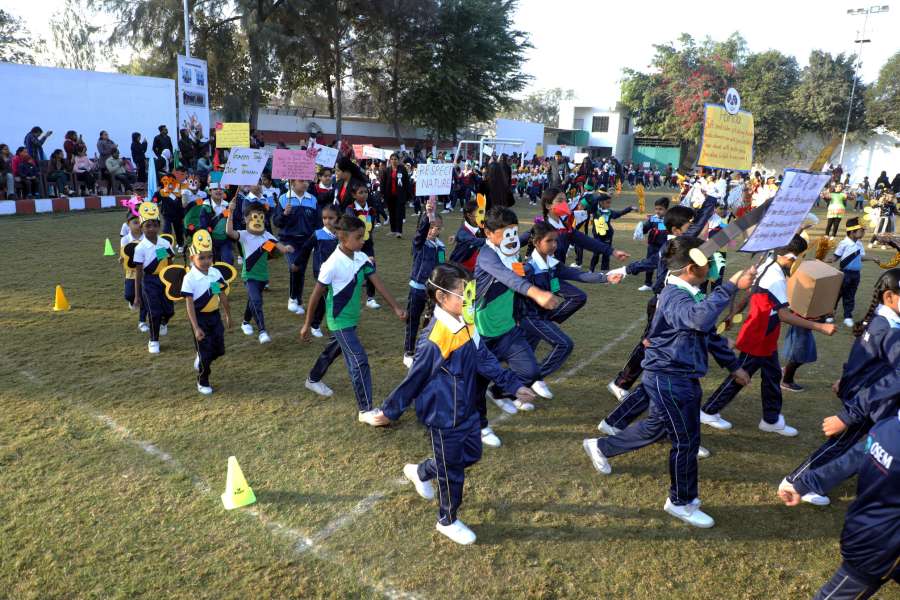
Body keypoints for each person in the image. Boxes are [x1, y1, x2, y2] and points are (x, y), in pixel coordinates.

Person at [582, 237, 756, 528]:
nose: (712, 267)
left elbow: (707, 333)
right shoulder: (675, 294)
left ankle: (601, 447)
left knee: (657, 426)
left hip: (677, 374)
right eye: (708, 262)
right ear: (691, 268)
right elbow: (698, 320)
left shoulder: (691, 293)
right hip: (670, 377)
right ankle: (681, 501)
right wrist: (730, 287)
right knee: (686, 441)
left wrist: (734, 365)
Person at [377, 263, 536, 545]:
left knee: (471, 456)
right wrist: (389, 411)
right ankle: (447, 521)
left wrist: (513, 384)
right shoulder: (435, 338)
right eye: (465, 293)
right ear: (441, 297)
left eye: (471, 291)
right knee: (453, 473)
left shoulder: (467, 320)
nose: (470, 298)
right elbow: (414, 379)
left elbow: (484, 358)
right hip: (443, 415)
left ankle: (421, 471)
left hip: (468, 407)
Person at [779, 267, 900, 506]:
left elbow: (863, 359)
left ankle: (810, 481)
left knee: (851, 444)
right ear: (889, 296)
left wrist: (845, 380)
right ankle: (796, 482)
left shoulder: (881, 321)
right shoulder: (889, 329)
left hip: (863, 396)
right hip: (867, 402)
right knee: (840, 444)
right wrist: (848, 413)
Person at [700, 237, 837, 434]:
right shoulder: (776, 279)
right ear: (789, 257)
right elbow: (784, 315)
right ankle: (708, 411)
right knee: (740, 375)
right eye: (800, 257)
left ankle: (771, 420)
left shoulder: (768, 265)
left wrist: (734, 313)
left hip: (766, 335)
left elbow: (750, 293)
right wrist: (820, 327)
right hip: (758, 336)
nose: (801, 262)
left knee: (772, 376)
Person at [605, 192, 719, 400]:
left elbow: (649, 262)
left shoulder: (682, 246)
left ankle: (652, 386)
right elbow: (697, 229)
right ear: (676, 230)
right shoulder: (674, 246)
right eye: (690, 224)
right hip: (662, 305)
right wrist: (711, 200)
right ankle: (621, 383)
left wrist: (626, 270)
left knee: (666, 345)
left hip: (672, 303)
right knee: (650, 344)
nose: (697, 227)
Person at [778, 414, 899, 599]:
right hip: (877, 545)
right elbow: (858, 454)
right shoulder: (888, 427)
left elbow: (857, 454)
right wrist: (805, 483)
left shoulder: (888, 425)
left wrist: (805, 484)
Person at [299, 214, 406, 424]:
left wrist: (396, 307)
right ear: (343, 237)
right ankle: (365, 410)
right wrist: (306, 324)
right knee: (359, 360)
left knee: (334, 349)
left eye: (363, 236)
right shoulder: (331, 264)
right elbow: (316, 295)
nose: (363, 240)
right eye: (358, 237)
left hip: (352, 319)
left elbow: (377, 282)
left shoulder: (361, 257)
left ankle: (313, 379)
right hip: (339, 321)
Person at [473, 207, 559, 445]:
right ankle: (481, 426)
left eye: (513, 231)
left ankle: (499, 392)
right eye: (504, 232)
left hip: (508, 329)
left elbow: (526, 237)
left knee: (530, 372)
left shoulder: (510, 246)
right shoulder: (486, 256)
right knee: (477, 384)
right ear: (488, 233)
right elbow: (508, 277)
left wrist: (544, 220)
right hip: (481, 333)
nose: (511, 237)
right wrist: (536, 293)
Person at [519, 221, 621, 390]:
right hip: (529, 319)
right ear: (536, 243)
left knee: (523, 357)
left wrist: (606, 277)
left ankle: (517, 386)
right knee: (562, 345)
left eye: (555, 240)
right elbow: (515, 293)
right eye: (549, 241)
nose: (554, 245)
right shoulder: (528, 268)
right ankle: (530, 380)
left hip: (540, 318)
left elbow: (577, 274)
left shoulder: (552, 264)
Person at [225, 199, 294, 344]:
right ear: (246, 219)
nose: (258, 220)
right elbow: (229, 232)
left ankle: (245, 322)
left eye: (261, 216)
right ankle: (262, 331)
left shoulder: (266, 235)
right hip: (249, 275)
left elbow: (280, 247)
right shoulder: (244, 234)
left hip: (263, 276)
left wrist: (286, 249)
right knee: (257, 301)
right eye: (254, 216)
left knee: (253, 301)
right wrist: (230, 212)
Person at [180, 230, 233, 395]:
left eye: (209, 257)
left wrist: (228, 314)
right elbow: (189, 304)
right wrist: (196, 327)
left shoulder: (214, 273)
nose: (206, 261)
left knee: (219, 350)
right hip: (199, 318)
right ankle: (202, 380)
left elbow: (220, 294)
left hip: (215, 316)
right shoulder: (189, 278)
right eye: (201, 258)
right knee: (206, 353)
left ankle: (201, 357)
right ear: (192, 258)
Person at [403, 198, 445, 368]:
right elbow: (421, 233)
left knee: (431, 322)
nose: (434, 231)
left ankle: (425, 350)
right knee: (413, 320)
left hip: (432, 292)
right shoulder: (419, 244)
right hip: (417, 289)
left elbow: (441, 267)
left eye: (438, 228)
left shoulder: (440, 247)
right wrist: (428, 215)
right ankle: (408, 351)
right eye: (431, 226)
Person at [132, 202, 176, 354]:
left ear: (159, 226)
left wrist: (174, 283)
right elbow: (138, 272)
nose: (151, 229)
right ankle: (153, 340)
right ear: (141, 227)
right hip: (149, 281)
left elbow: (170, 264)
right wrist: (137, 295)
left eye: (155, 225)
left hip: (165, 281)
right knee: (154, 312)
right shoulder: (140, 248)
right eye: (147, 226)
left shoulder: (165, 243)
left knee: (169, 311)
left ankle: (163, 322)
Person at [274, 178, 320, 316]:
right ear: (292, 182)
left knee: (301, 270)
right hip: (288, 240)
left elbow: (318, 223)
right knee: (294, 266)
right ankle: (293, 298)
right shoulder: (283, 199)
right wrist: (284, 214)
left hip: (306, 241)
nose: (305, 183)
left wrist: (315, 241)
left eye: (307, 181)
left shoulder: (312, 199)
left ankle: (298, 300)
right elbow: (277, 222)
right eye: (301, 180)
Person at [828, 217, 881, 327]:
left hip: (856, 275)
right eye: (861, 231)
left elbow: (860, 257)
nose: (863, 233)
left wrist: (873, 258)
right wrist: (826, 260)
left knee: (850, 295)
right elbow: (835, 257)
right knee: (837, 294)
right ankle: (830, 314)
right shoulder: (844, 243)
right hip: (844, 273)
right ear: (852, 232)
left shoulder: (859, 244)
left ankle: (847, 316)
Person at [298, 203, 340, 339]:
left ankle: (333, 324)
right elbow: (305, 249)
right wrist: (297, 263)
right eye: (324, 218)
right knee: (324, 298)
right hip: (321, 272)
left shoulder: (341, 235)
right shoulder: (318, 234)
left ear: (338, 218)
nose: (327, 221)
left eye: (331, 218)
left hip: (337, 272)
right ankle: (315, 325)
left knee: (334, 298)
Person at [345, 180, 380, 308]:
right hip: (354, 245)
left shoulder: (371, 209)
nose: (364, 194)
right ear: (354, 195)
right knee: (352, 269)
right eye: (360, 192)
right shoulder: (350, 209)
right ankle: (348, 296)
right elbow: (352, 225)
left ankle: (370, 298)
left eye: (366, 192)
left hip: (367, 244)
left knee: (371, 266)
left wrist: (367, 238)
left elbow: (372, 226)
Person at [588, 194, 635, 272]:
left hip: (607, 236)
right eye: (607, 202)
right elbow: (593, 203)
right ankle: (591, 270)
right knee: (596, 254)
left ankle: (604, 272)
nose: (609, 205)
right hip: (597, 236)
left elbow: (619, 213)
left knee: (606, 255)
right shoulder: (595, 210)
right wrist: (600, 197)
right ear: (601, 203)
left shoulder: (609, 212)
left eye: (610, 202)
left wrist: (629, 208)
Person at [120, 211, 148, 332]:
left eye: (140, 222)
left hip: (146, 272)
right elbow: (124, 254)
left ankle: (142, 321)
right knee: (129, 295)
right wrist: (122, 258)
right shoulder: (125, 239)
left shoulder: (148, 236)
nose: (138, 225)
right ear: (128, 224)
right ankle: (132, 301)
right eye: (135, 223)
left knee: (144, 296)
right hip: (131, 273)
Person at [638, 198, 670, 291]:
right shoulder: (652, 219)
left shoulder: (669, 219)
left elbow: (668, 230)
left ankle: (660, 284)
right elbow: (645, 229)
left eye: (660, 209)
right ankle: (647, 283)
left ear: (666, 209)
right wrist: (641, 228)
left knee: (662, 266)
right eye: (656, 209)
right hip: (652, 246)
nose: (657, 211)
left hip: (664, 246)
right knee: (649, 263)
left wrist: (659, 225)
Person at [449, 196, 487, 273]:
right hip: (461, 269)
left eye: (483, 212)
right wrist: (494, 240)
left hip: (474, 268)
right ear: (469, 215)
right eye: (480, 213)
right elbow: (475, 241)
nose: (483, 216)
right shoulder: (463, 233)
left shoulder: (480, 227)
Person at [381, 153, 411, 238]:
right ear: (390, 160)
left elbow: (406, 182)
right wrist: (382, 193)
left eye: (395, 159)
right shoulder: (387, 170)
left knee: (399, 214)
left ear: (398, 160)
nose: (394, 161)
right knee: (392, 213)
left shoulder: (402, 169)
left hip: (400, 196)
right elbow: (383, 183)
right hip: (390, 195)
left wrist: (408, 195)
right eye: (392, 159)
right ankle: (393, 230)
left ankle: (399, 231)